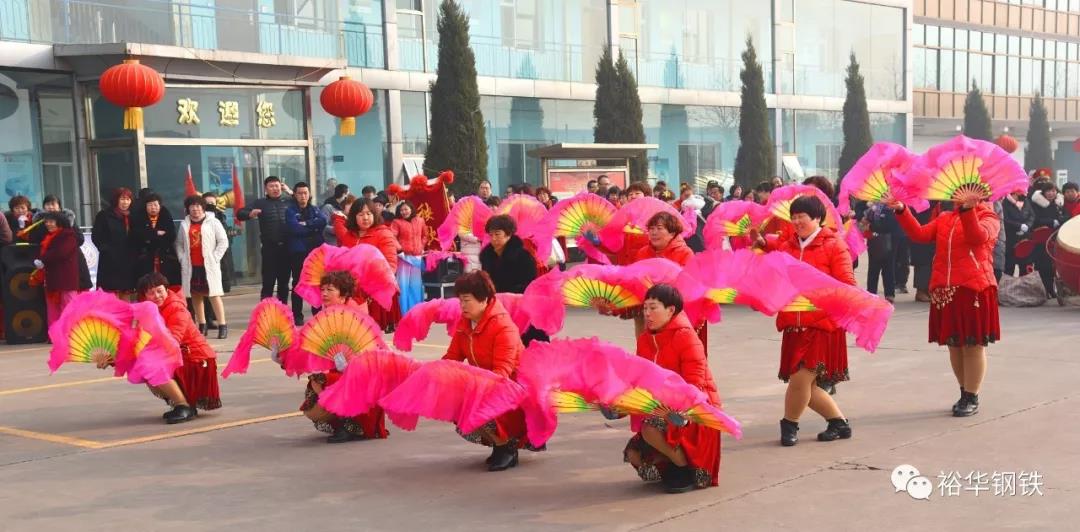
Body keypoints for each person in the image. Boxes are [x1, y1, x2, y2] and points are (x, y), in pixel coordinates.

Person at [752, 195, 855, 446]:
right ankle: (839, 423)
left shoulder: (834, 245)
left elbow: (848, 285)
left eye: (802, 217)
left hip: (821, 324)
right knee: (806, 384)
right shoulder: (788, 245)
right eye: (794, 217)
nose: (797, 222)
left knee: (800, 379)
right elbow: (775, 251)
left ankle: (789, 425)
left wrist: (820, 294)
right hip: (793, 323)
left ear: (817, 218)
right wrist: (763, 243)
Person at [888, 191, 1000, 417]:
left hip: (974, 289)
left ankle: (972, 395)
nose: (957, 195)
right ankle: (964, 391)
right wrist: (902, 210)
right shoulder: (945, 218)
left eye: (962, 190)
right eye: (956, 191)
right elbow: (919, 234)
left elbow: (977, 237)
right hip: (944, 289)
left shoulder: (989, 217)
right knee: (954, 345)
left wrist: (968, 211)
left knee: (973, 345)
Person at [620, 284, 723, 493]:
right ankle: (674, 464)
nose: (647, 313)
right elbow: (640, 379)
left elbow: (695, 384)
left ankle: (685, 468)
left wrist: (677, 409)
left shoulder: (686, 337)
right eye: (645, 308)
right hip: (663, 410)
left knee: (650, 429)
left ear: (671, 310)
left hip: (694, 412)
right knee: (635, 455)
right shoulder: (645, 340)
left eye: (653, 308)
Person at [442, 271, 537, 471]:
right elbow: (451, 358)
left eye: (467, 300)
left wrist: (474, 389)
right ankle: (499, 445)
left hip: (513, 393)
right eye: (460, 301)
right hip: (488, 384)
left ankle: (507, 447)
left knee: (473, 403)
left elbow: (503, 371)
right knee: (454, 399)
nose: (462, 306)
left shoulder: (503, 327)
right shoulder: (464, 325)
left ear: (484, 299)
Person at [300, 270, 389, 443]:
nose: (324, 293)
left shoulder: (354, 315)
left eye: (330, 289)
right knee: (316, 384)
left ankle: (352, 425)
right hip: (343, 370)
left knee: (330, 381)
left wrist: (349, 366)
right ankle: (342, 421)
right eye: (322, 289)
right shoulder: (327, 314)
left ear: (343, 295)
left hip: (364, 374)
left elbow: (369, 352)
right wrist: (283, 358)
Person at [137, 272, 222, 423]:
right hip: (181, 356)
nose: (156, 296)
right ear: (145, 295)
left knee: (153, 367)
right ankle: (182, 404)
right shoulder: (149, 311)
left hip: (195, 359)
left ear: (166, 289)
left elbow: (172, 340)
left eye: (159, 291)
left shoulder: (176, 308)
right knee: (144, 366)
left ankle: (183, 405)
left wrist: (145, 352)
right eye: (151, 293)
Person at [332, 198, 401, 332]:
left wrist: (372, 282)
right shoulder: (348, 236)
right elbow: (342, 261)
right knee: (353, 331)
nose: (365, 218)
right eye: (361, 214)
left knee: (371, 332)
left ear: (374, 215)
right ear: (354, 216)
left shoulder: (383, 233)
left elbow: (390, 264)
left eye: (369, 214)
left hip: (375, 291)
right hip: (352, 290)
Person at [479, 215, 548, 346]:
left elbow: (529, 285)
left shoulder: (524, 256)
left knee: (527, 344)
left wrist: (508, 296)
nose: (493, 239)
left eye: (497, 234)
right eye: (491, 235)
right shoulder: (487, 257)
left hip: (521, 307)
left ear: (509, 234)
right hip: (497, 307)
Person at [176, 196, 230, 339]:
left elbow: (223, 242)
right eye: (192, 206)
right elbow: (179, 244)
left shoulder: (213, 222)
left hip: (209, 265)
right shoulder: (184, 224)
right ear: (188, 209)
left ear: (203, 207)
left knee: (214, 295)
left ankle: (222, 325)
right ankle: (202, 324)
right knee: (195, 295)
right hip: (192, 266)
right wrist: (182, 258)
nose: (195, 209)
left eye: (198, 206)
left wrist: (215, 257)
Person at [237, 176, 291, 304]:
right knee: (268, 282)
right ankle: (265, 310)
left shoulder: (289, 201)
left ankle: (283, 310)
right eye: (271, 186)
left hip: (287, 248)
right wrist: (249, 214)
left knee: (284, 283)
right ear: (266, 189)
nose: (275, 189)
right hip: (269, 249)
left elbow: (305, 201)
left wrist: (290, 191)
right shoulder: (260, 203)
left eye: (277, 186)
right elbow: (240, 213)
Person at [285, 182, 327, 324]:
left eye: (305, 193)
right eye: (300, 193)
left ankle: (317, 313)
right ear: (295, 195)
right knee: (298, 283)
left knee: (316, 282)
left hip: (315, 252)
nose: (303, 196)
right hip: (298, 252)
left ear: (309, 194)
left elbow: (322, 221)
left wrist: (306, 224)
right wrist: (312, 228)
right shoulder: (290, 211)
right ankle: (297, 315)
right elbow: (294, 228)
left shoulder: (315, 209)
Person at [33, 212, 82, 325]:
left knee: (69, 307)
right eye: (46, 222)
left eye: (51, 222)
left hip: (66, 278)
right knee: (52, 308)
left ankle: (69, 330)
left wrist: (43, 260)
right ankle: (54, 331)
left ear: (59, 222)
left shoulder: (68, 235)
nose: (48, 224)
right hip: (53, 278)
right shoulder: (50, 236)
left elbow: (61, 253)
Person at [92, 187, 137, 298]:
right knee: (110, 294)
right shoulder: (104, 215)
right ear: (116, 199)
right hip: (110, 261)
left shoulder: (132, 216)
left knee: (126, 294)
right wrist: (105, 249)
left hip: (127, 261)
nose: (125, 202)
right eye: (122, 199)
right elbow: (96, 236)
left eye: (128, 199)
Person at [129, 193, 181, 290]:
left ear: (160, 206)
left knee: (166, 283)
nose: (153, 208)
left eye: (155, 205)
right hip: (145, 255)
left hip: (164, 255)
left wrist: (150, 235)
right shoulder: (139, 217)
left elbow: (171, 235)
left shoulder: (165, 215)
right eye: (150, 205)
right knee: (146, 284)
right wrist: (155, 233)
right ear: (145, 206)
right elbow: (137, 235)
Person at [390, 200, 426, 315]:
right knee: (403, 285)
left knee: (416, 285)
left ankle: (416, 311)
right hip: (403, 258)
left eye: (406, 209)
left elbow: (424, 236)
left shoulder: (420, 220)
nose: (404, 212)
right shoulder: (396, 222)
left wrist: (421, 246)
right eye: (401, 210)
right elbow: (391, 237)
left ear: (411, 209)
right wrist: (399, 249)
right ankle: (403, 312)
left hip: (417, 258)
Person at [861, 202, 899, 302]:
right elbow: (863, 215)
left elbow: (889, 225)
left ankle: (889, 294)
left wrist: (871, 226)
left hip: (890, 240)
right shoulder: (873, 207)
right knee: (873, 268)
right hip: (874, 240)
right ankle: (871, 293)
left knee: (888, 268)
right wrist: (865, 219)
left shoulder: (892, 208)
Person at [1002, 191, 1034, 276]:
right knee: (1009, 267)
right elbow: (1005, 219)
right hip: (1011, 238)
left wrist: (1027, 225)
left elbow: (1032, 215)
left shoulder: (1025, 200)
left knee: (1025, 267)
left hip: (1025, 238)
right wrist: (1019, 226)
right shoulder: (1006, 203)